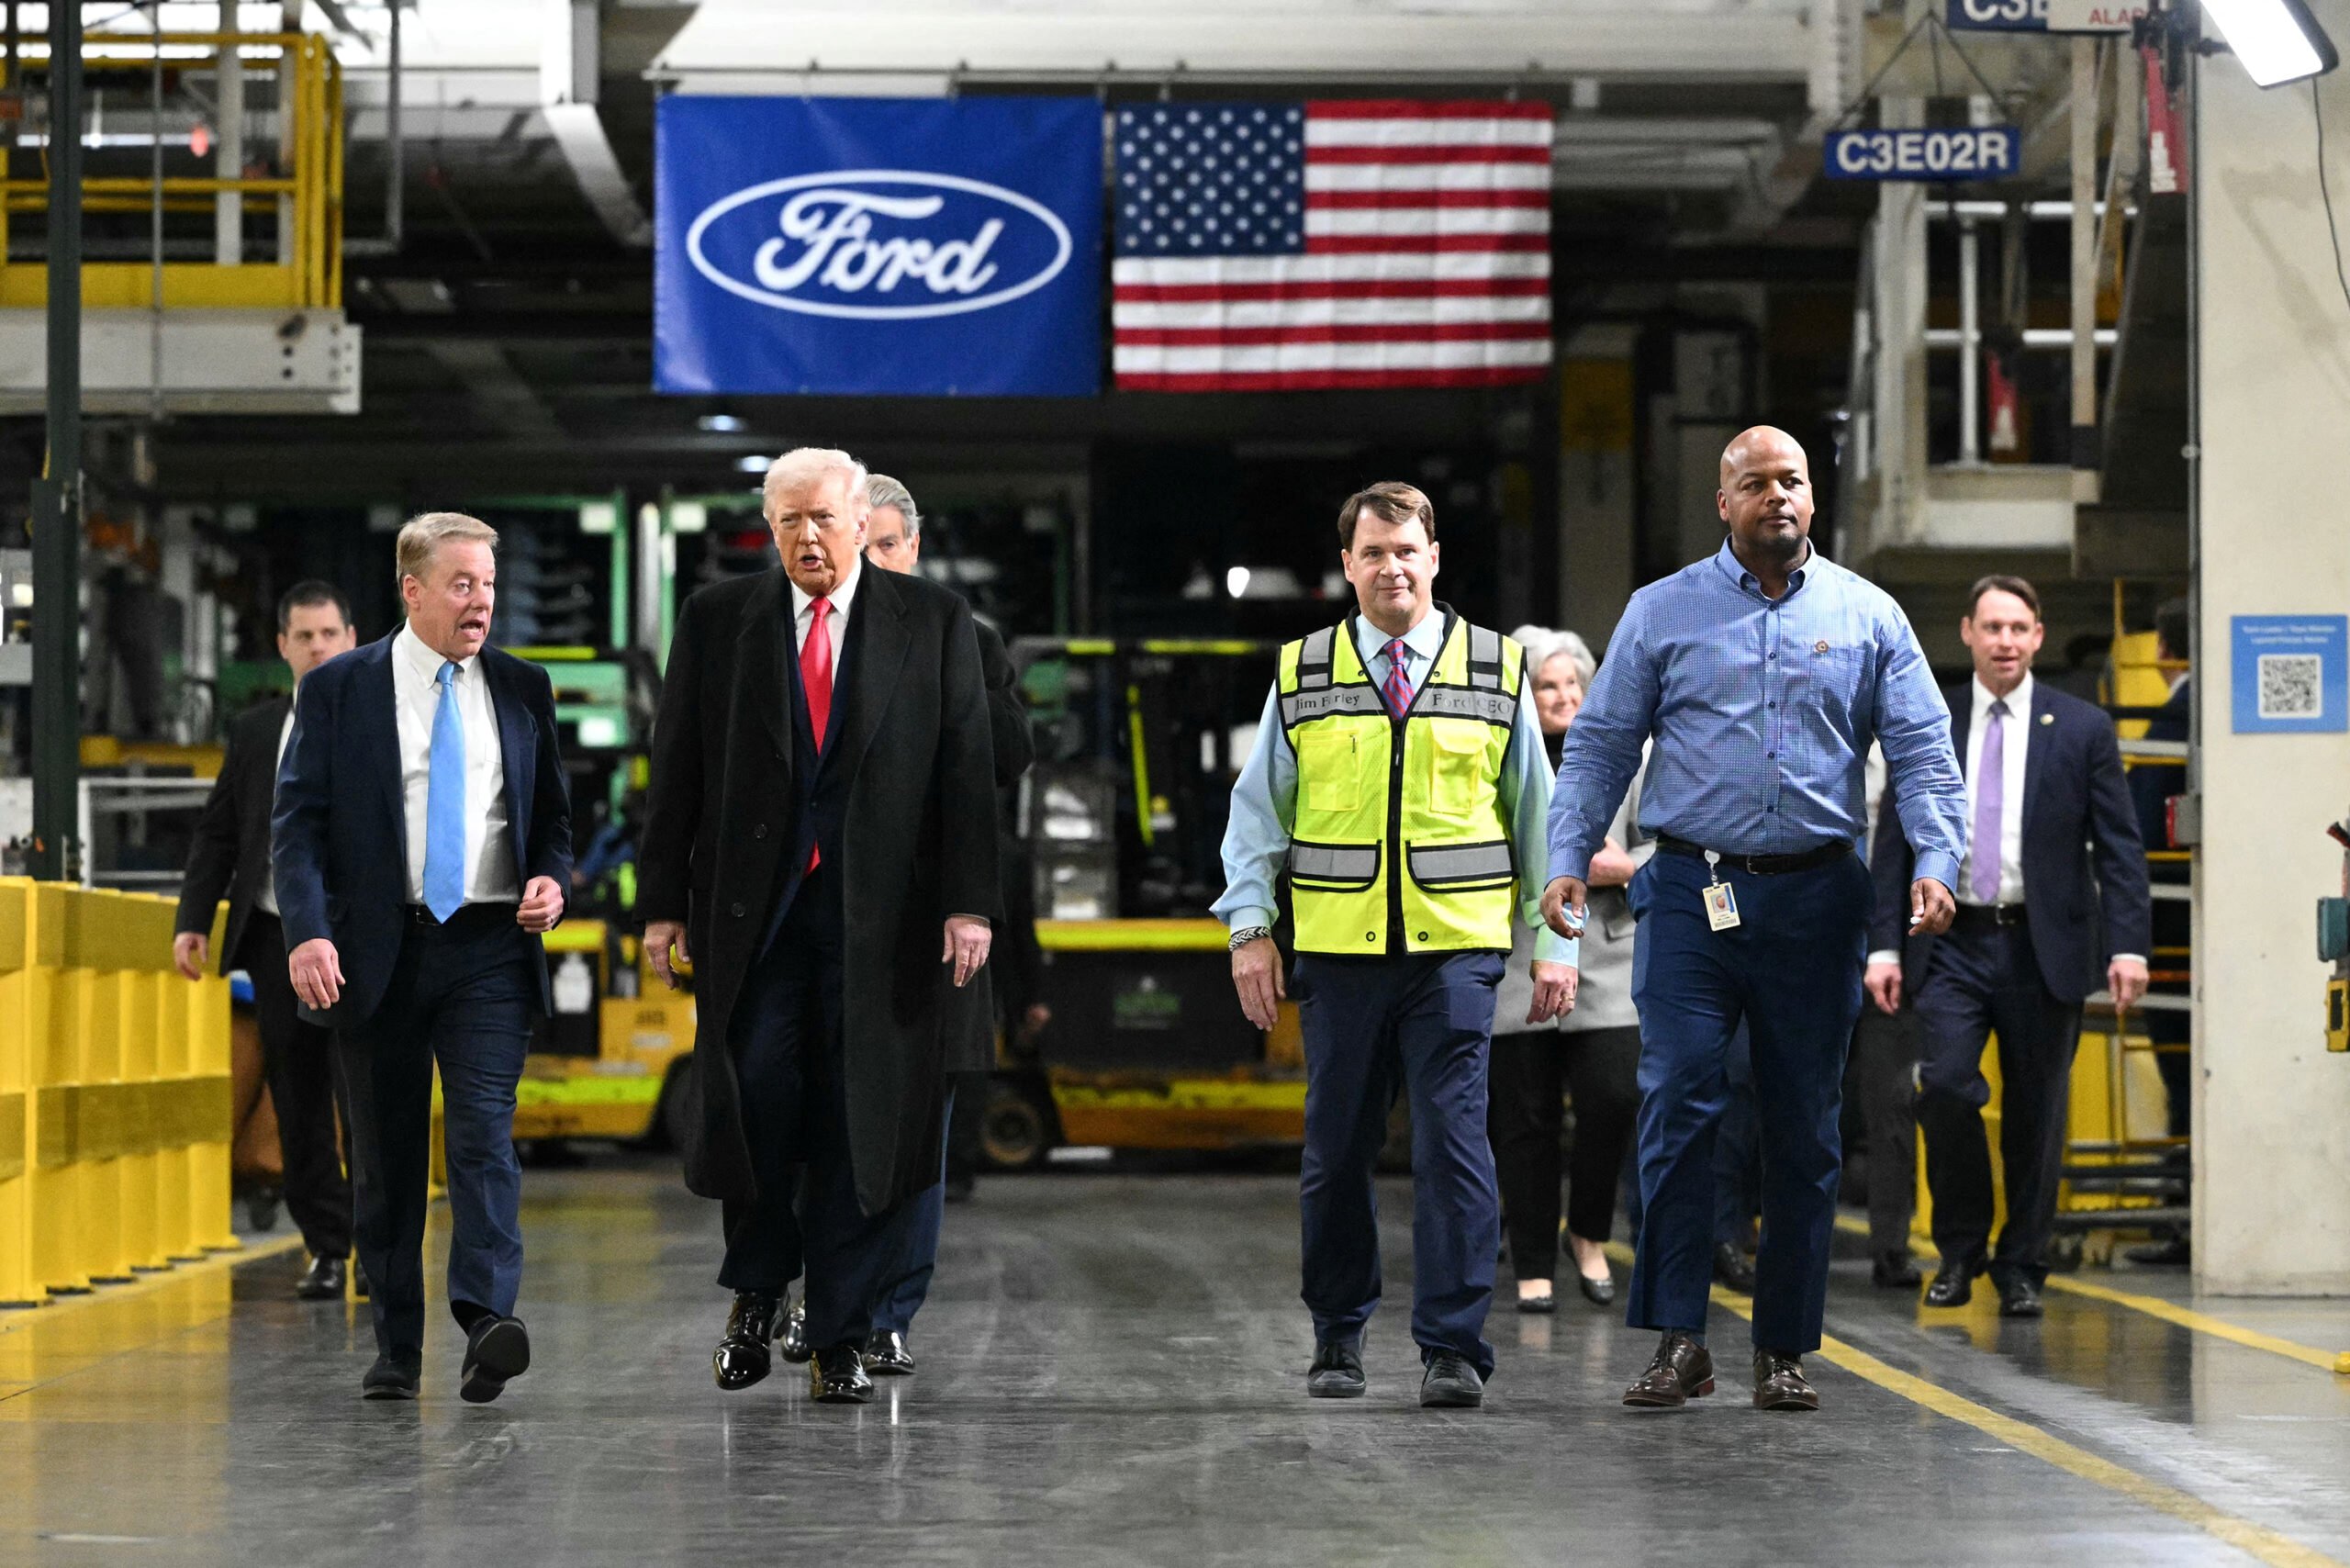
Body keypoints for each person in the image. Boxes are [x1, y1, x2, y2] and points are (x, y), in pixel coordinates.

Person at [1546, 426, 1966, 1414]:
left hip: (1819, 897)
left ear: (1811, 499)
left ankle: (1783, 1345)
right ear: (1722, 503)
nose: (1776, 496)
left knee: (1804, 1128)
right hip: (1693, 894)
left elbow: (1921, 749)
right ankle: (1679, 1337)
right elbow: (1601, 745)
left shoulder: (1867, 616)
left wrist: (1938, 859)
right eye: (1754, 483)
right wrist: (1568, 855)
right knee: (1679, 1099)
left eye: (1792, 482)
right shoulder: (1662, 611)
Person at [638, 447, 999, 1406]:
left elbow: (967, 768)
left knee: (857, 1120)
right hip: (753, 920)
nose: (807, 536)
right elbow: (674, 765)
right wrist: (659, 904)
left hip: (884, 924)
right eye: (788, 520)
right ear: (770, 526)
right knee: (755, 1097)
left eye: (824, 519)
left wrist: (969, 903)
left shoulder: (933, 621)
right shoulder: (721, 619)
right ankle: (757, 1288)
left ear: (859, 520)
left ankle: (838, 1334)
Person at [1216, 480, 1575, 1410]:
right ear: (1347, 566)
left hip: (1454, 952)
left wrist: (1556, 945)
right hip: (1337, 954)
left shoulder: (1496, 669)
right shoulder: (1302, 672)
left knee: (1453, 1146)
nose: (1391, 567)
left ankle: (1452, 1346)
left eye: (1406, 550)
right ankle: (1337, 1336)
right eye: (1372, 552)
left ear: (1435, 557)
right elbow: (1257, 816)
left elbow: (1540, 823)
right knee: (1336, 1148)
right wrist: (1250, 928)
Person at [273, 514, 572, 1403]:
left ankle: (487, 1320)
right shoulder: (337, 690)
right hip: (376, 951)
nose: (480, 601)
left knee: (483, 1136)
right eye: (462, 584)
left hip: (487, 947)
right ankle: (395, 1345)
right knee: (390, 1155)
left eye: (487, 583)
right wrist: (310, 930)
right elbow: (299, 829)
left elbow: (551, 820)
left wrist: (552, 881)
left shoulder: (523, 687)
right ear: (413, 589)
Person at [1868, 576, 2151, 1315]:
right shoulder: (1932, 720)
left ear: (2038, 636)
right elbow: (1892, 842)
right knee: (1948, 1089)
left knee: (2038, 1112)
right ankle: (1961, 1253)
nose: (2005, 641)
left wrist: (2129, 948)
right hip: (1952, 940)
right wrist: (1883, 949)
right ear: (1966, 633)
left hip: (2043, 945)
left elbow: (2119, 850)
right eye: (1992, 627)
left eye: (2019, 628)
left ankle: (2021, 1264)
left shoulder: (2082, 727)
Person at [854, 473, 1034, 1378]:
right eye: (860, 546)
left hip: (936, 930)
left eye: (887, 546)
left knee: (920, 1134)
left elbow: (1008, 755)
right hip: (837, 925)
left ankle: (890, 1313)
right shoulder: (813, 645)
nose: (873, 563)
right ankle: (831, 1296)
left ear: (912, 550)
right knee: (828, 1126)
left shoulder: (966, 637)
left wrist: (954, 661)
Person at [173, 581, 360, 1302]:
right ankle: (327, 1249)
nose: (317, 647)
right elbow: (220, 831)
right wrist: (193, 918)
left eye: (329, 634)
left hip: (355, 939)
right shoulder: (256, 732)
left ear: (352, 640)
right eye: (304, 636)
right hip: (276, 939)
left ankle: (376, 1249)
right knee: (297, 1097)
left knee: (364, 1100)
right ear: (282, 646)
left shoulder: (382, 726)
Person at [1488, 627, 1643, 1312]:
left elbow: (1666, 848)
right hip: (1521, 951)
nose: (1563, 697)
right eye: (1548, 686)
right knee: (1525, 1116)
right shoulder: (1496, 753)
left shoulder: (1627, 758)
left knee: (1613, 1096)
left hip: (1608, 950)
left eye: (1574, 685)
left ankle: (1586, 1233)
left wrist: (1622, 866)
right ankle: (1530, 1258)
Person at [2128, 599, 2193, 1267]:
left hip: (2174, 935)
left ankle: (2182, 1220)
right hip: (2207, 932)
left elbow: (2136, 832)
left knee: (2181, 1071)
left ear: (2165, 651)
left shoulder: (2171, 720)